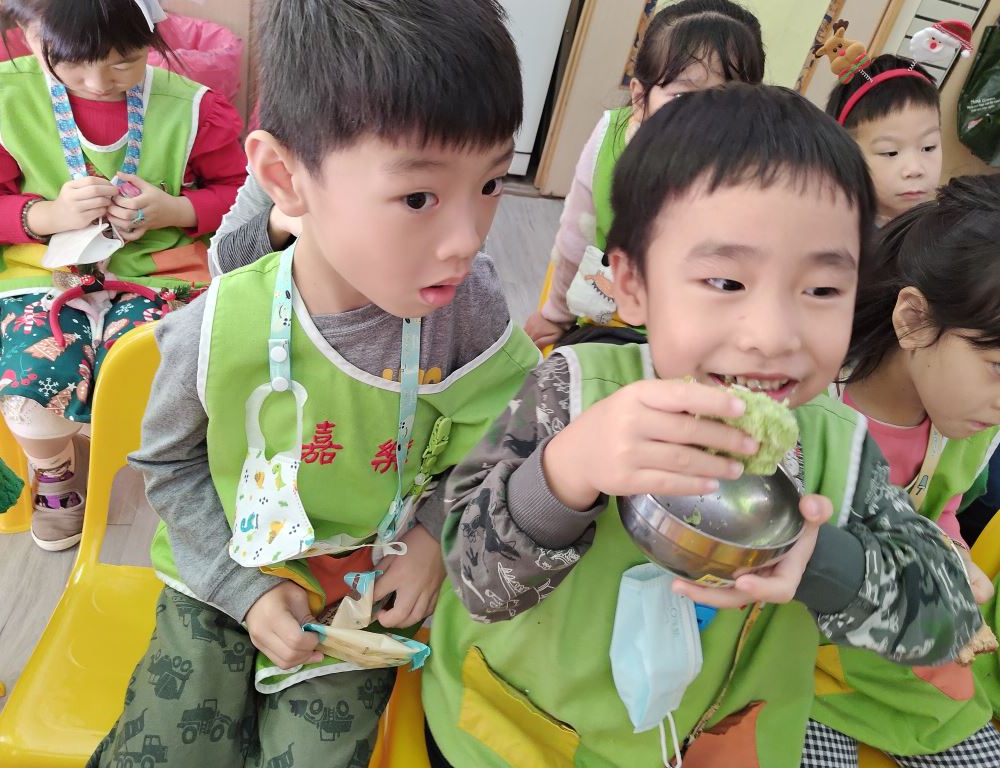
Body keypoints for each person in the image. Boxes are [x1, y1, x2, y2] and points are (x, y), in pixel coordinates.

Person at [421, 83, 982, 768]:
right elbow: (473, 581)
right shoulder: (572, 390)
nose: (772, 336)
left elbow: (947, 622)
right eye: (726, 283)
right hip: (513, 739)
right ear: (633, 285)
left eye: (822, 289)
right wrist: (564, 473)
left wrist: (830, 564)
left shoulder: (838, 448)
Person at [88, 0, 539, 766]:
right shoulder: (219, 327)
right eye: (419, 198)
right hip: (226, 566)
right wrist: (243, 588)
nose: (467, 241)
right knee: (171, 747)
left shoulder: (471, 315)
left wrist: (431, 536)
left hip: (366, 581)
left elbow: (505, 436)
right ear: (283, 179)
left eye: (492, 183)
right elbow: (168, 464)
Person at [0, 0, 246, 550]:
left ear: (152, 37)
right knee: (31, 379)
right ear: (29, 32)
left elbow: (241, 195)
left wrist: (175, 210)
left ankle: (172, 480)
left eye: (124, 61)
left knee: (152, 372)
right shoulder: (1, 99)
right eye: (71, 63)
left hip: (157, 273)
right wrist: (46, 215)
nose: (99, 82)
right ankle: (53, 472)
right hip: (42, 276)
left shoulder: (191, 108)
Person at [806, 175, 1000, 766]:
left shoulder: (965, 422)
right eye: (997, 366)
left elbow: (940, 511)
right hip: (795, 650)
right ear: (914, 319)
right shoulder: (811, 408)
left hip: (900, 668)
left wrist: (954, 560)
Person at [524, 0, 764, 350]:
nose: (706, 118)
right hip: (607, 310)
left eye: (729, 100)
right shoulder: (611, 141)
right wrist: (555, 314)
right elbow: (575, 239)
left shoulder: (754, 171)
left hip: (694, 332)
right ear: (640, 99)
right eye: (682, 96)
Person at [825, 53, 942, 227]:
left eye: (928, 147)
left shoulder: (945, 226)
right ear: (844, 154)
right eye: (890, 152)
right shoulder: (837, 231)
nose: (915, 169)